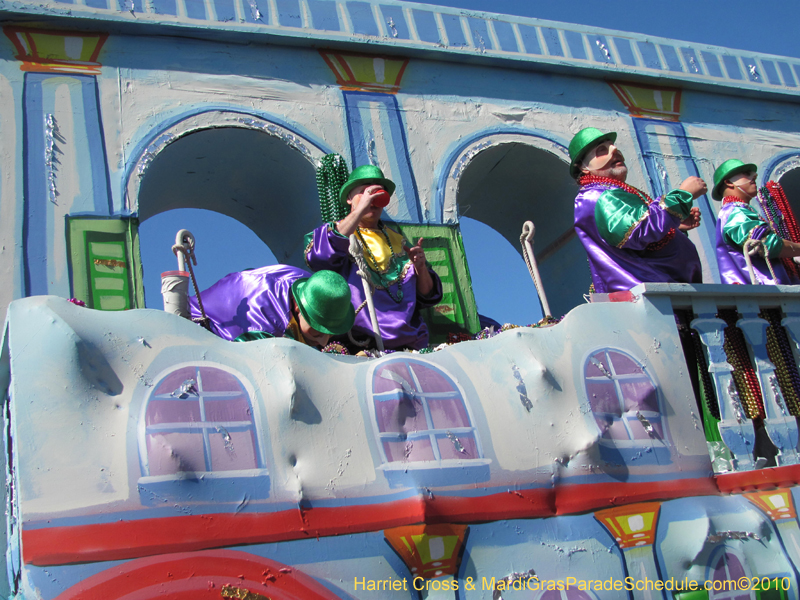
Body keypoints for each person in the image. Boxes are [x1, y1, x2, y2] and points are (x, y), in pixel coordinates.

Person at [304, 164, 443, 350]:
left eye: (378, 193)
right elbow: (318, 258)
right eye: (364, 192)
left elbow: (427, 295)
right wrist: (359, 210)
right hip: (355, 343)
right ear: (349, 198)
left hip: (407, 346)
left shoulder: (400, 243)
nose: (372, 198)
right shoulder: (338, 234)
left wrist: (421, 268)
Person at [570, 127, 707, 293]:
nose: (614, 150)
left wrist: (673, 227)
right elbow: (637, 229)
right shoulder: (601, 195)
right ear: (584, 167)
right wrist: (681, 197)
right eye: (602, 150)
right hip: (652, 298)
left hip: (662, 293)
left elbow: (637, 238)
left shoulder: (609, 191)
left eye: (613, 146)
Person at [188, 265, 355, 347]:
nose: (325, 342)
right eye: (317, 331)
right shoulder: (264, 326)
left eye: (330, 334)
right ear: (298, 307)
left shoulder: (316, 286)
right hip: (198, 325)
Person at [713, 159, 800, 285]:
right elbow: (766, 244)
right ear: (728, 182)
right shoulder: (736, 211)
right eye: (747, 173)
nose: (754, 176)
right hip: (764, 294)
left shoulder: (739, 210)